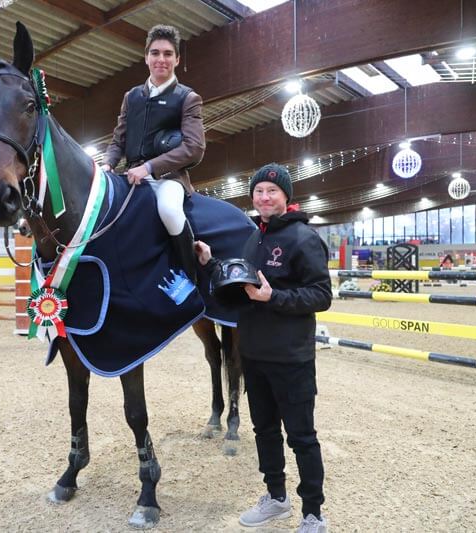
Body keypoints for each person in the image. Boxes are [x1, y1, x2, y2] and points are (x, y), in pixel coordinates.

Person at [193, 163, 332, 532]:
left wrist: (275, 297)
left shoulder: (304, 238)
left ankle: (313, 513)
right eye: (259, 191)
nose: (264, 197)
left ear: (286, 196)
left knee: (302, 437)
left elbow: (321, 295)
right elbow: (243, 283)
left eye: (272, 191)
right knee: (265, 431)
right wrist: (210, 263)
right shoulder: (254, 238)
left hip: (291, 357)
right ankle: (276, 498)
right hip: (253, 354)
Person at [102, 24, 205, 282]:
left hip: (169, 179)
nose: (161, 59)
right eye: (155, 53)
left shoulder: (188, 98)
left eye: (168, 54)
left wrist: (149, 167)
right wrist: (108, 163)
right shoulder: (132, 97)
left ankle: (189, 275)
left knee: (169, 210)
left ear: (177, 59)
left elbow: (194, 147)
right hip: (130, 177)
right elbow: (118, 139)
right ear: (146, 57)